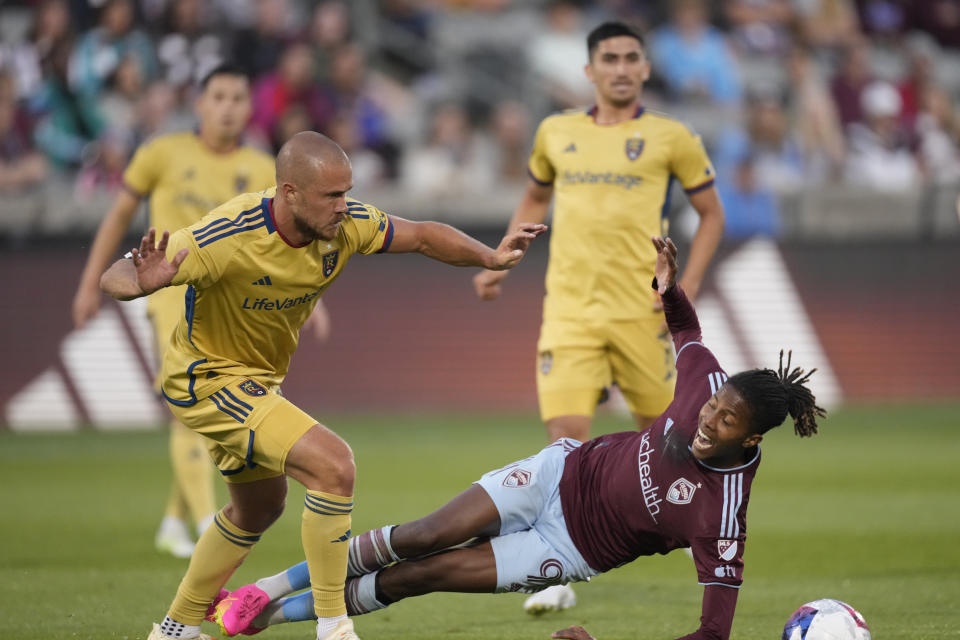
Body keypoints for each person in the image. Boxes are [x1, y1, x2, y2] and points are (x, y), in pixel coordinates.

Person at [214, 237, 825, 640]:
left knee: (425, 574)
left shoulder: (722, 517)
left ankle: (269, 617)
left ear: (748, 443)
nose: (707, 421)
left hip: (571, 548)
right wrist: (669, 287)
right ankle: (261, 590)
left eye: (724, 423)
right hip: (558, 474)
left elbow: (713, 635)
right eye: (714, 407)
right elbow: (688, 332)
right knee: (424, 534)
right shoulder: (707, 384)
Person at [99, 130, 546, 640]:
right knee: (333, 466)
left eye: (347, 192)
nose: (344, 206)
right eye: (332, 195)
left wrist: (489, 257)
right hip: (205, 377)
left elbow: (421, 235)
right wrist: (141, 282)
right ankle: (334, 627)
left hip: (255, 382)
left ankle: (174, 629)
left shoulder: (346, 225)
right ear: (289, 193)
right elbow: (118, 275)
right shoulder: (225, 236)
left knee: (258, 509)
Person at [473, 22, 725, 610]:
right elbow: (535, 199)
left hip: (643, 314)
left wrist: (682, 291)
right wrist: (500, 260)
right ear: (588, 71)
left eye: (630, 57)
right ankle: (555, 571)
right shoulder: (555, 132)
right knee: (565, 444)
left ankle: (702, 534)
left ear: (643, 69)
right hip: (569, 313)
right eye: (607, 58)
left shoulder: (672, 136)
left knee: (674, 441)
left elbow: (711, 214)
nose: (618, 67)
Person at [71, 63, 278, 559]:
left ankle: (172, 520)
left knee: (212, 408)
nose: (228, 107)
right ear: (200, 104)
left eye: (237, 98)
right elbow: (119, 213)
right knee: (188, 405)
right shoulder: (163, 153)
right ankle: (211, 522)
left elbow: (278, 245)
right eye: (219, 97)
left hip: (231, 305)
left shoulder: (264, 168)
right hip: (168, 295)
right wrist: (87, 285)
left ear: (250, 108)